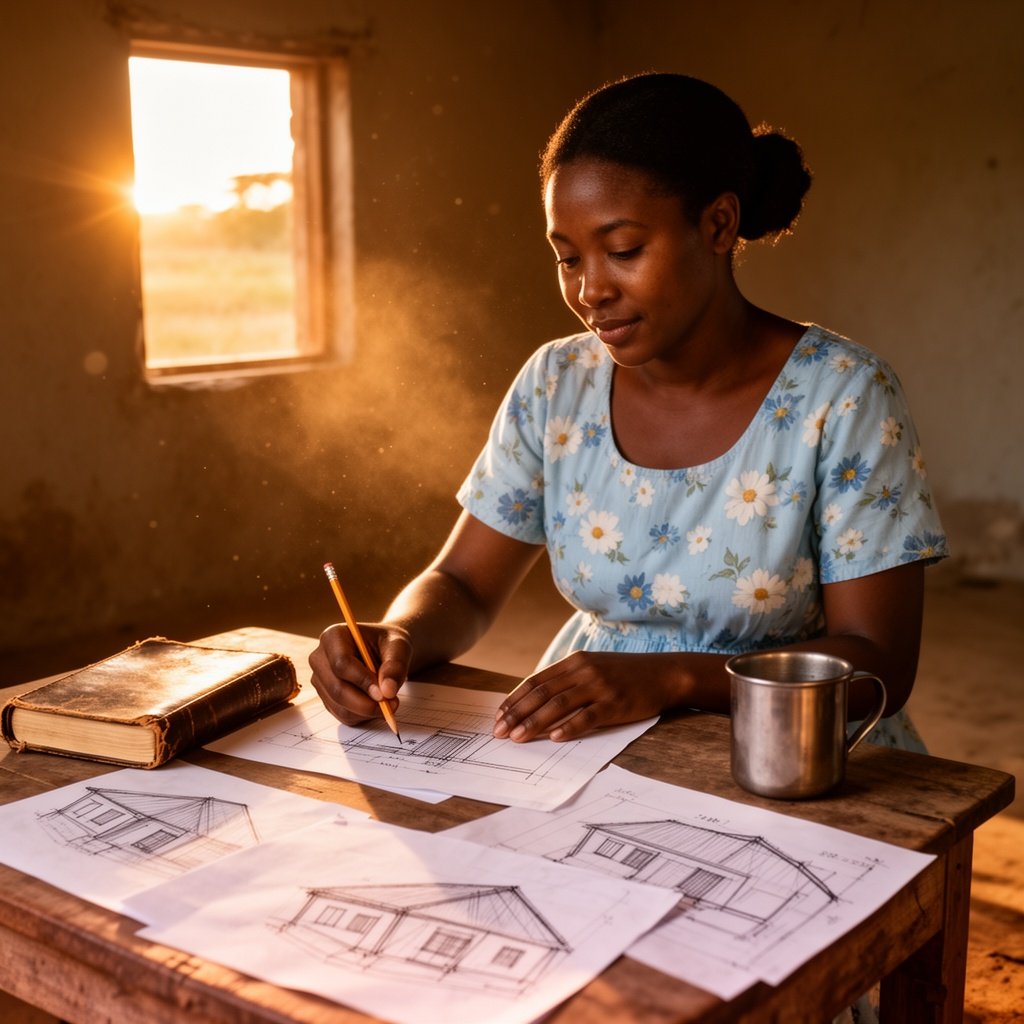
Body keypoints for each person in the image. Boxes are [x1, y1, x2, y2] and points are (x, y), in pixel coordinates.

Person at [309, 72, 948, 757]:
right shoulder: (557, 384)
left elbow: (878, 663)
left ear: (718, 224)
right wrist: (396, 634)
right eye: (566, 258)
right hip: (596, 743)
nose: (590, 291)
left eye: (623, 252)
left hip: (798, 757)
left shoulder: (842, 395)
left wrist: (671, 678)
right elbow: (462, 583)